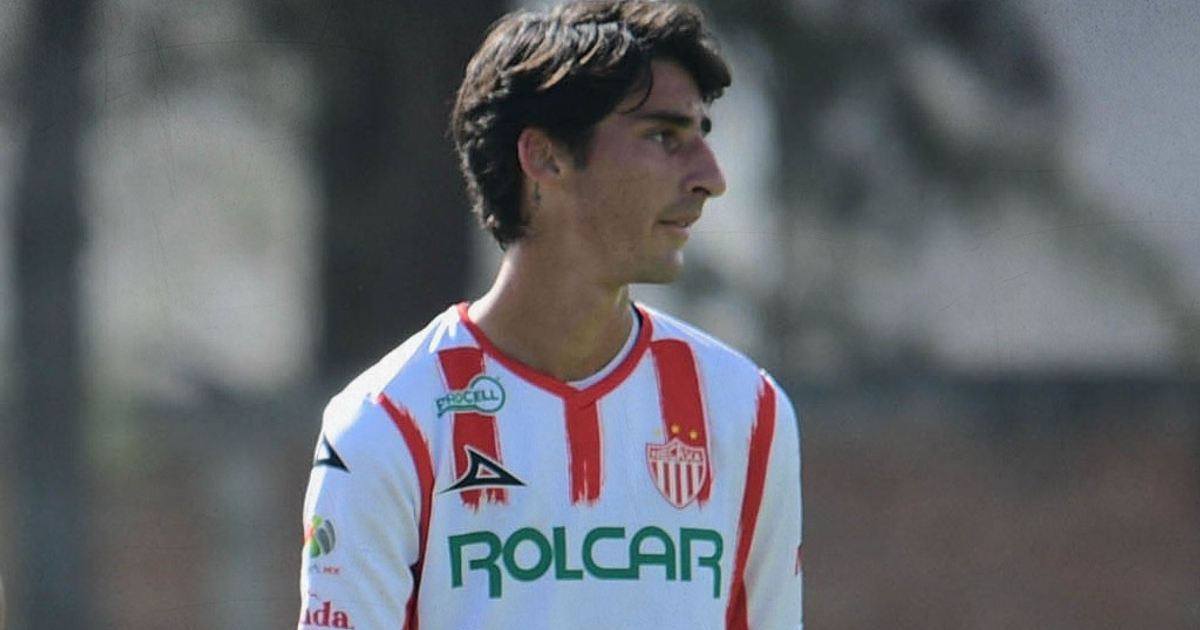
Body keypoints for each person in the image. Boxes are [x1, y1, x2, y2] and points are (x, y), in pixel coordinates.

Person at [297, 1, 803, 629]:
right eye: (663, 137)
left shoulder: (746, 412)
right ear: (544, 158)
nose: (710, 177)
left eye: (701, 137)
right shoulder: (386, 424)